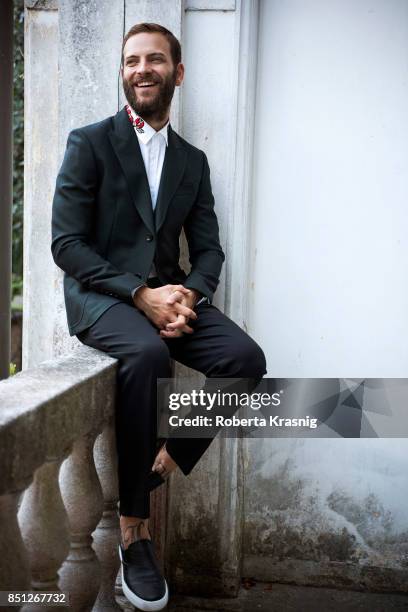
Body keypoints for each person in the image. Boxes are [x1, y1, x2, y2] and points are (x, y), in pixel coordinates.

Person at [51, 22, 266, 611]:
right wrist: (139, 296)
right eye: (131, 61)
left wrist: (187, 297)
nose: (141, 69)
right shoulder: (89, 142)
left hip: (171, 297)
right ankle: (133, 532)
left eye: (154, 59)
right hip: (102, 299)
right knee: (145, 353)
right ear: (123, 72)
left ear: (177, 71)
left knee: (247, 361)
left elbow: (210, 249)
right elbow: (66, 245)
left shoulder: (192, 162)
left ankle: (168, 457)